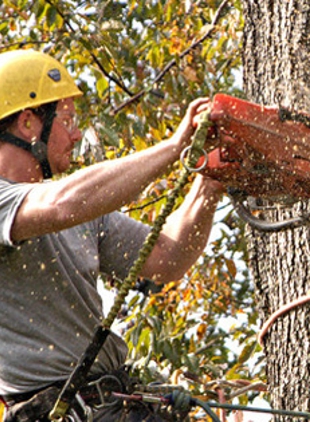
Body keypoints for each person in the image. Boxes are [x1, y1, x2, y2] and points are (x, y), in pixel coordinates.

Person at [0, 49, 224, 421]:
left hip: (110, 402)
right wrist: (174, 147)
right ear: (28, 123)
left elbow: (165, 259)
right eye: (67, 120)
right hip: (53, 410)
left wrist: (209, 184)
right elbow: (62, 204)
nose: (74, 135)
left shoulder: (79, 212)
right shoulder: (29, 202)